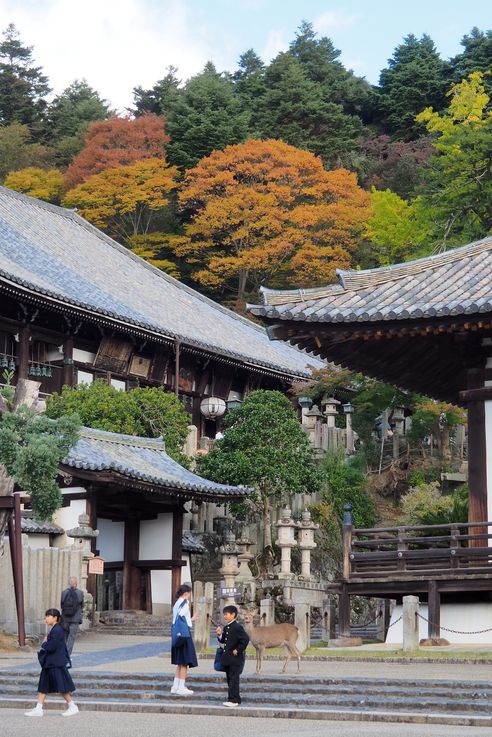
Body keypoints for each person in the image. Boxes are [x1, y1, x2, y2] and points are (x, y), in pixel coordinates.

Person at [24, 608, 78, 717]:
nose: (46, 618)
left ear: (55, 618)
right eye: (46, 616)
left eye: (48, 616)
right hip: (51, 663)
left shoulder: (57, 630)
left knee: (62, 686)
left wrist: (44, 644)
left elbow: (51, 647)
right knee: (43, 686)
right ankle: (38, 708)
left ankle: (72, 706)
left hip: (56, 663)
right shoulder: (54, 629)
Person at [215, 604, 249, 707]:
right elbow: (223, 640)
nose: (225, 616)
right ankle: (236, 699)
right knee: (230, 679)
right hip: (228, 659)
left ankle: (233, 700)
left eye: (226, 614)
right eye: (224, 614)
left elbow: (245, 639)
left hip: (235, 659)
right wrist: (219, 634)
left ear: (233, 614)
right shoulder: (227, 627)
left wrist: (238, 650)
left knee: (234, 680)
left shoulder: (237, 627)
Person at [170, 583, 198, 695]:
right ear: (186, 593)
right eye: (189, 593)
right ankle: (181, 687)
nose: (190, 595)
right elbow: (183, 617)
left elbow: (178, 618)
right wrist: (192, 619)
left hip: (177, 635)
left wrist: (191, 619)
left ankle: (175, 686)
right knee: (184, 662)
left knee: (179, 663)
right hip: (184, 635)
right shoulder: (184, 603)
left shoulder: (176, 603)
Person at [60, 576, 84, 656]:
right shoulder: (80, 593)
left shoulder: (64, 592)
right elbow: (82, 605)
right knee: (71, 637)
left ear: (69, 583)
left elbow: (62, 604)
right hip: (75, 618)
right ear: (76, 583)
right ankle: (67, 654)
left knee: (65, 636)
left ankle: (63, 653)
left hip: (65, 618)